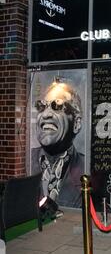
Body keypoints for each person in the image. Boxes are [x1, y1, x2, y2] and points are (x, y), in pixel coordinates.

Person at [31, 79, 84, 208]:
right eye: (42, 107)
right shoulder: (25, 160)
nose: (46, 114)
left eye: (58, 106)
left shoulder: (87, 168)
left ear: (76, 123)